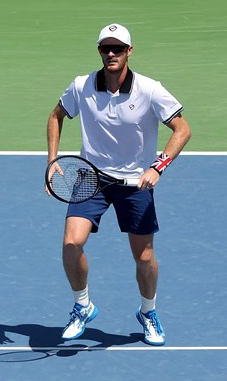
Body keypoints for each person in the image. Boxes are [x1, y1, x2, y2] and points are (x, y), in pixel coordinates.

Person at [45, 24, 191, 346]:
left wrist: (159, 166)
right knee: (71, 245)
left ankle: (148, 311)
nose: (111, 54)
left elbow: (182, 129)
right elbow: (55, 116)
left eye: (118, 48)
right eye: (105, 48)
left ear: (129, 51)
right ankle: (82, 306)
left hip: (134, 183)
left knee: (143, 258)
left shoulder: (150, 90)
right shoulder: (81, 86)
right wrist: (52, 160)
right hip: (91, 179)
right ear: (99, 51)